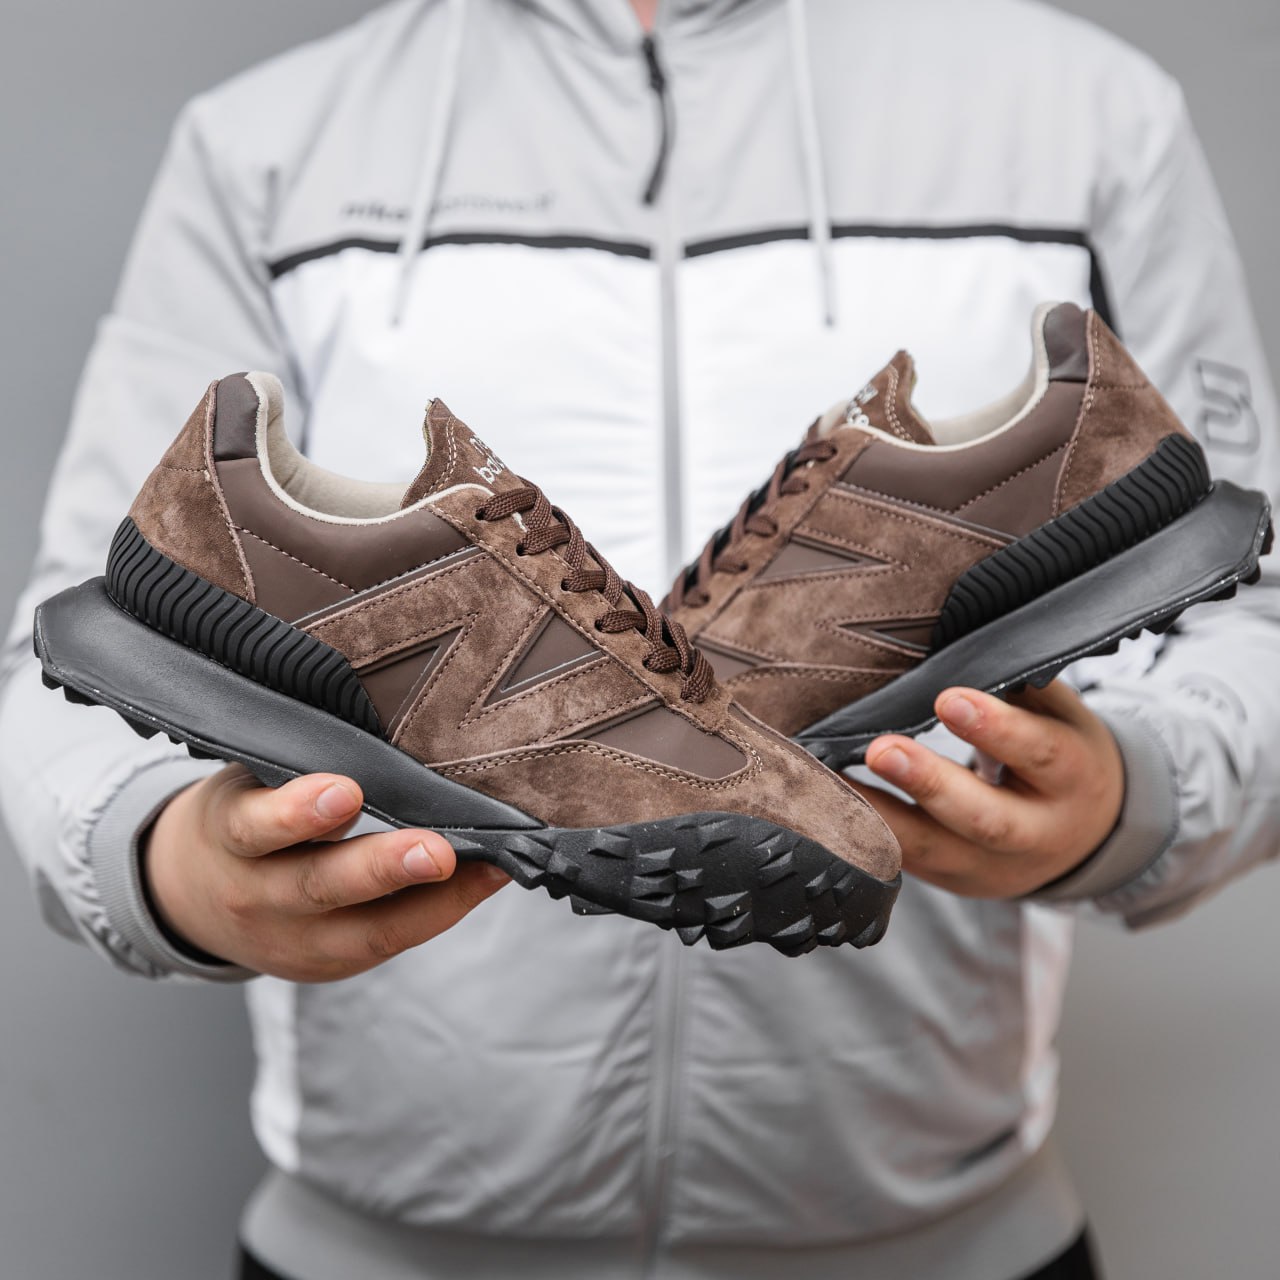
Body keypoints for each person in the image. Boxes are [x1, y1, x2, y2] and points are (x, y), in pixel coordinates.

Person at [3, 1, 1277, 1278]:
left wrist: (1132, 793)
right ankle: (599, 686)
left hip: (953, 1241)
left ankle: (662, 695)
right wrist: (168, 864)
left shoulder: (1083, 111)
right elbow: (62, 654)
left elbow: (1255, 625)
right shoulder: (268, 142)